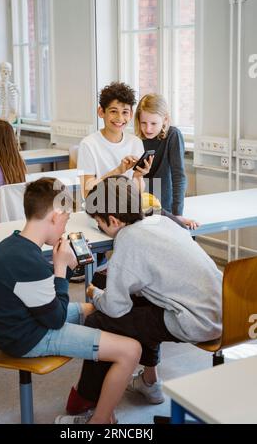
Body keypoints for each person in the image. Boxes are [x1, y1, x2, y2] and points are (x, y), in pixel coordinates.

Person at [0, 177, 141, 425]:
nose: (65, 228)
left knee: (93, 309)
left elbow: (46, 301)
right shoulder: (26, 262)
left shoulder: (16, 245)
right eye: (65, 220)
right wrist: (61, 268)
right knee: (131, 351)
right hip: (26, 337)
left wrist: (61, 270)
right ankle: (99, 421)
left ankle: (95, 395)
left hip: (26, 321)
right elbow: (55, 318)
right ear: (55, 216)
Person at [58, 176, 222, 419]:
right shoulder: (161, 221)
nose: (101, 228)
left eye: (100, 224)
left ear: (112, 220)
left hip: (197, 323)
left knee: (100, 320)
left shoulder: (127, 238)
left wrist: (95, 294)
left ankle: (87, 402)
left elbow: (115, 307)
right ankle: (149, 381)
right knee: (144, 305)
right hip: (224, 310)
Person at [77, 81, 153, 199]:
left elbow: (137, 193)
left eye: (125, 112)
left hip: (127, 207)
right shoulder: (88, 144)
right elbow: (86, 194)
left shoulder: (136, 143)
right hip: (100, 208)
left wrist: (137, 176)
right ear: (101, 112)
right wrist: (118, 171)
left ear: (131, 114)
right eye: (113, 111)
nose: (120, 118)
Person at [134, 93, 187, 215]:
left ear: (165, 120)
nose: (148, 129)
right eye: (143, 123)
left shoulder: (173, 135)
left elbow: (178, 176)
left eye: (153, 124)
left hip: (165, 204)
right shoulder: (135, 140)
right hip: (140, 203)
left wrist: (178, 214)